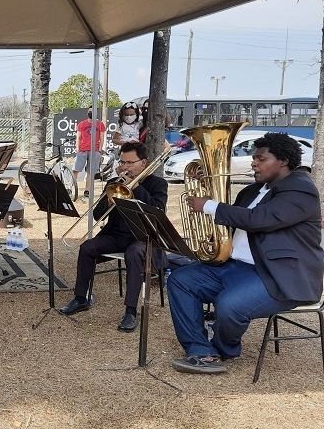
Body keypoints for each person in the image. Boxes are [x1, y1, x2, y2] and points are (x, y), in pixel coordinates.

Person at [168, 132, 324, 374]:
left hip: (278, 275)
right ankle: (200, 350)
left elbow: (260, 220)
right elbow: (234, 221)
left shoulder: (301, 190)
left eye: (261, 159)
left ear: (282, 161)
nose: (254, 163)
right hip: (236, 266)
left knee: (229, 305)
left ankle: (222, 349)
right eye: (254, 159)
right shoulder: (252, 191)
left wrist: (210, 205)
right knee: (181, 280)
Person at [59, 142, 168, 332]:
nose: (125, 167)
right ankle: (80, 298)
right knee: (87, 248)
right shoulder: (114, 182)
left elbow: (158, 210)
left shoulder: (158, 184)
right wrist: (109, 201)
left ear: (143, 162)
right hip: (117, 235)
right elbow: (96, 214)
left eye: (129, 162)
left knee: (133, 254)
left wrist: (135, 188)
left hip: (143, 238)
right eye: (122, 162)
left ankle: (131, 311)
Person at [73, 107, 107, 197]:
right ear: (87, 112)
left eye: (93, 112)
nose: (91, 113)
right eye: (90, 111)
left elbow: (102, 138)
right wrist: (77, 148)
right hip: (83, 150)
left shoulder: (100, 125)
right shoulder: (82, 124)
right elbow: (78, 137)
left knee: (90, 172)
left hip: (95, 150)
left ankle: (87, 190)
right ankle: (72, 187)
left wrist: (99, 150)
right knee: (76, 169)